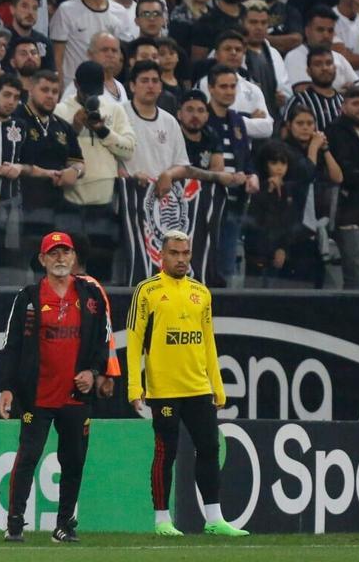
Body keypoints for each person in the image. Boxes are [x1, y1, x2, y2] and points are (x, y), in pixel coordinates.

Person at [126, 229, 248, 538]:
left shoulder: (201, 292)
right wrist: (133, 386)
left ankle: (214, 519)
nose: (181, 259)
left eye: (185, 253)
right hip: (164, 389)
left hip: (198, 388)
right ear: (161, 255)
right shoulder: (147, 291)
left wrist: (217, 386)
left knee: (209, 447)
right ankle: (162, 519)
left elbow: (208, 342)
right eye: (174, 253)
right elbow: (134, 340)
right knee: (166, 452)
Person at [0, 232, 115, 543]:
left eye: (65, 252)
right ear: (42, 260)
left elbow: (103, 342)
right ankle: (15, 523)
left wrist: (93, 372)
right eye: (53, 253)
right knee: (28, 457)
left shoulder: (90, 295)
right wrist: (8, 388)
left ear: (74, 258)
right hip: (37, 395)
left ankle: (64, 525)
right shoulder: (29, 297)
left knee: (73, 461)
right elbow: (12, 346)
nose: (60, 258)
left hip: (76, 396)